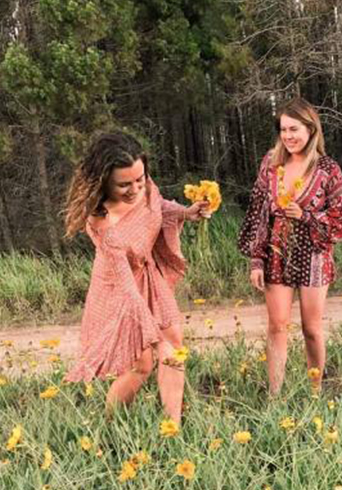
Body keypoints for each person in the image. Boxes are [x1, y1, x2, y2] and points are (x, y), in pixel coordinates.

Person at [63, 131, 210, 423]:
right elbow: (128, 290)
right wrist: (155, 342)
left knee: (175, 348)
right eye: (124, 185)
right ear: (104, 181)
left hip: (148, 275)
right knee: (141, 363)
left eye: (139, 180)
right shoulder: (102, 223)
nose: (134, 189)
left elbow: (157, 205)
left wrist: (186, 212)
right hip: (119, 290)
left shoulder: (144, 186)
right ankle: (110, 425)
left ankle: (173, 427)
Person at [237, 97, 342, 395]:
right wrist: (256, 260)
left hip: (314, 255)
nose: (288, 136)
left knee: (311, 328)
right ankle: (275, 396)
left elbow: (341, 221)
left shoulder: (328, 169)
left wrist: (307, 215)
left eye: (294, 129)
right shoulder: (271, 163)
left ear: (311, 130)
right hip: (277, 254)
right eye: (284, 130)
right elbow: (258, 212)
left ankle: (316, 391)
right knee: (277, 326)